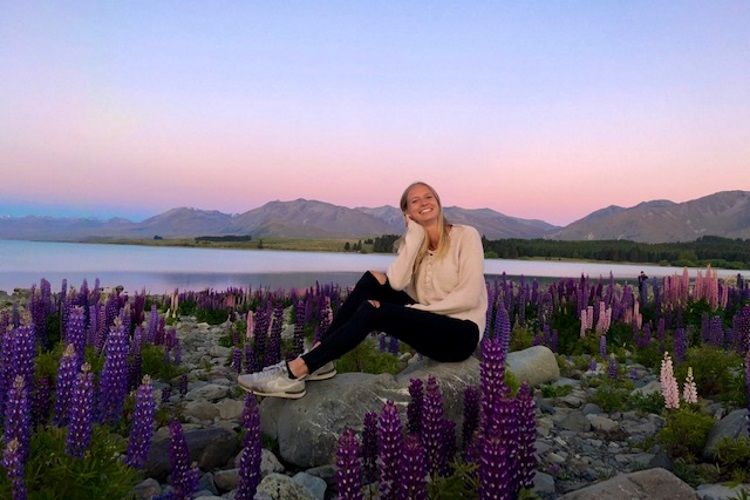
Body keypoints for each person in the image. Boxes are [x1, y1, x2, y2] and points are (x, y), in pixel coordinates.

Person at [237, 181, 488, 399]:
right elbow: (398, 282)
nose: (423, 202)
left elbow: (467, 297)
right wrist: (414, 236)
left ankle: (296, 371)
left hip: (459, 333)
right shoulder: (414, 242)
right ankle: (321, 356)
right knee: (373, 280)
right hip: (429, 322)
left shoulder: (466, 236)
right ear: (407, 213)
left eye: (428, 197)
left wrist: (414, 310)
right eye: (414, 201)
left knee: (374, 311)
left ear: (438, 202)